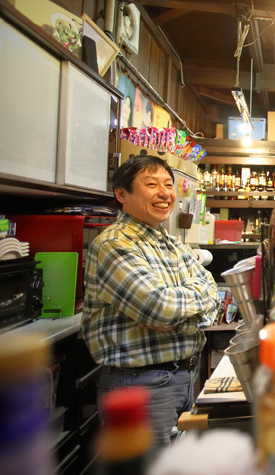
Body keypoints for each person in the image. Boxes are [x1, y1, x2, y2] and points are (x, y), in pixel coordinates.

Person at [81, 155, 220, 447]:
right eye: (151, 184)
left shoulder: (169, 241)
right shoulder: (114, 244)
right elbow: (159, 308)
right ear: (122, 194)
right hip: (139, 387)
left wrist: (179, 313)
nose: (165, 193)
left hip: (182, 378)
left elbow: (211, 292)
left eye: (169, 184)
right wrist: (188, 310)